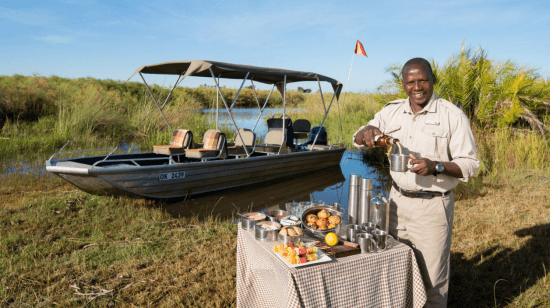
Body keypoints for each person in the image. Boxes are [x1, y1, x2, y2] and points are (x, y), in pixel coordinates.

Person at [353, 58, 479, 308]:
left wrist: (437, 166)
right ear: (403, 84)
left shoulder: (451, 115)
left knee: (432, 281)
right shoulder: (391, 111)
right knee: (394, 269)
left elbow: (471, 164)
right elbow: (358, 138)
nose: (417, 86)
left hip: (432, 207)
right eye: (411, 81)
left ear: (432, 80)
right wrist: (368, 130)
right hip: (395, 203)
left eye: (423, 80)